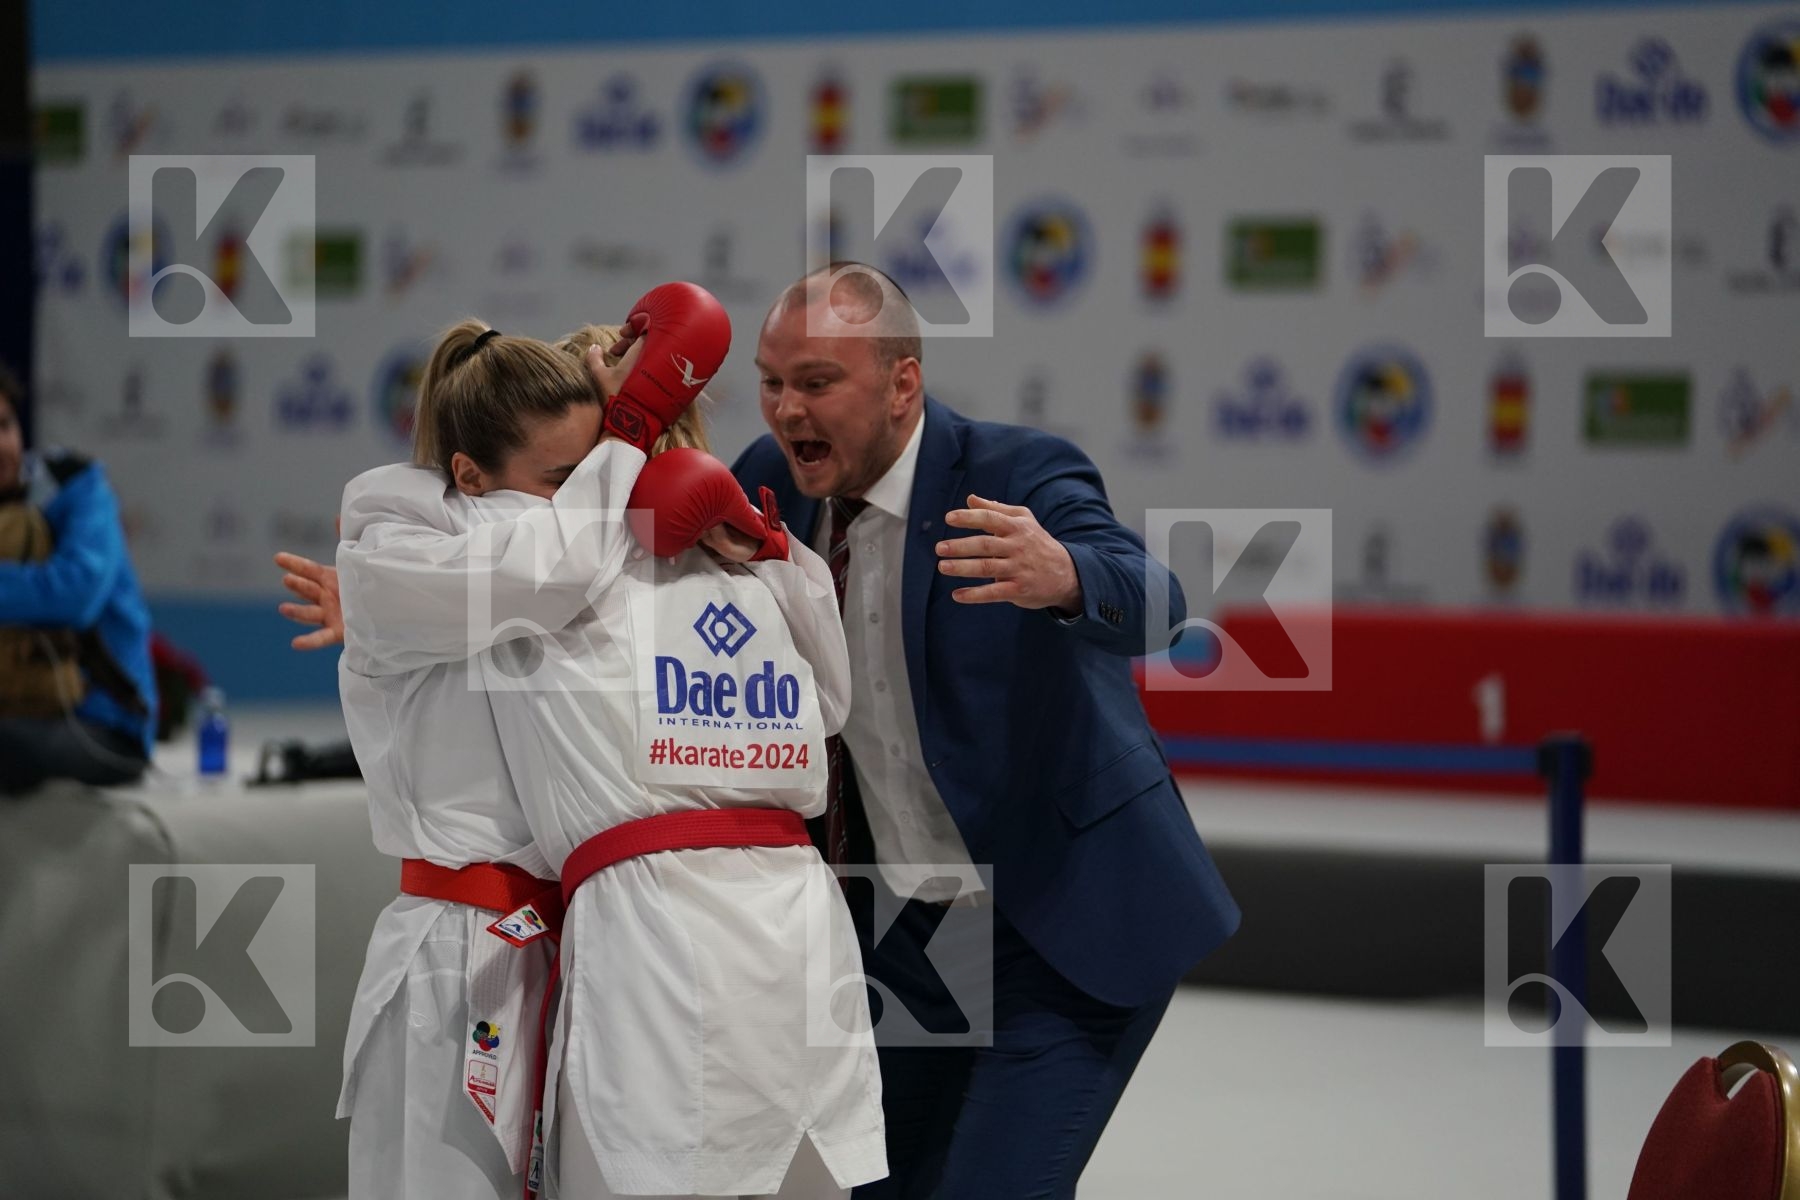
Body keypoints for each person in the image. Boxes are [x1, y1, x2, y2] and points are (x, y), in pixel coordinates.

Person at [333, 288, 884, 1199]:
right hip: (474, 942)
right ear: (472, 478)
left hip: (614, 932)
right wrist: (633, 424)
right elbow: (531, 564)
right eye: (568, 475)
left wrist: (764, 542)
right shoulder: (455, 538)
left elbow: (828, 705)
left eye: (607, 462)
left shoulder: (699, 554)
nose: (596, 487)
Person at [731, 263, 1242, 1198]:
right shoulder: (769, 485)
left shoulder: (1015, 470)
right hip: (906, 934)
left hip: (1064, 923)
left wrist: (1069, 577)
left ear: (902, 384)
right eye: (770, 381)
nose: (785, 410)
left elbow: (1161, 605)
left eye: (815, 382)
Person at [0, 361, 157, 795]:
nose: (1, 446)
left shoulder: (76, 488)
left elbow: (77, 594)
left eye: (5, 425)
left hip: (103, 725)